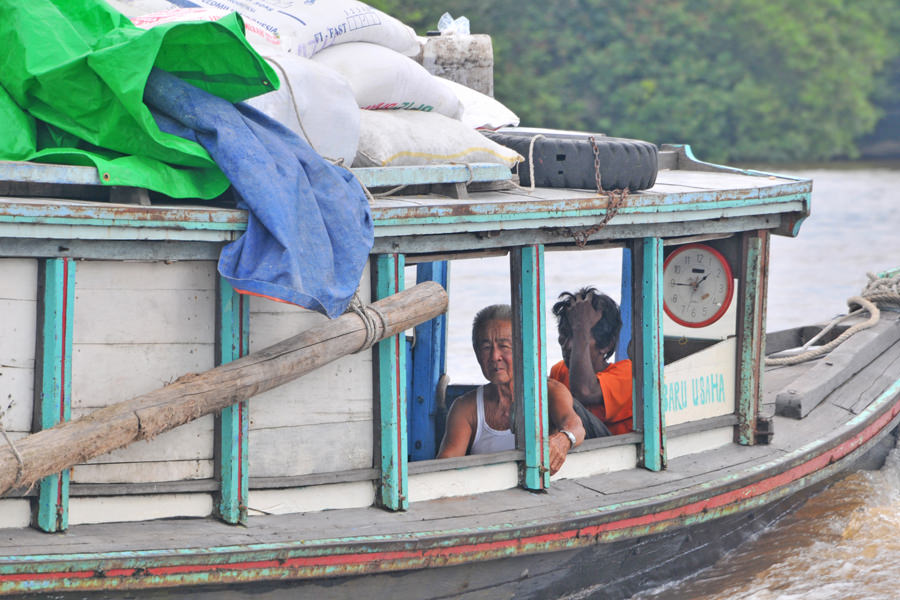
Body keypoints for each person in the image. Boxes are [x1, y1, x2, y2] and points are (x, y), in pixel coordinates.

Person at [437, 304, 585, 475]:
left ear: (522, 350)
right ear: (477, 353)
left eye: (504, 346)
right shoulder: (466, 408)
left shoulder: (549, 392)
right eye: (486, 348)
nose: (494, 357)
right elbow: (445, 467)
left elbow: (575, 426)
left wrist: (562, 440)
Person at [550, 287, 633, 435]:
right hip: (575, 453)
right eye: (564, 335)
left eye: (577, 338)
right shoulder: (559, 372)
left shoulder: (627, 374)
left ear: (606, 345)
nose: (568, 346)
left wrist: (581, 327)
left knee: (565, 403)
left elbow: (584, 391)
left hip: (613, 452)